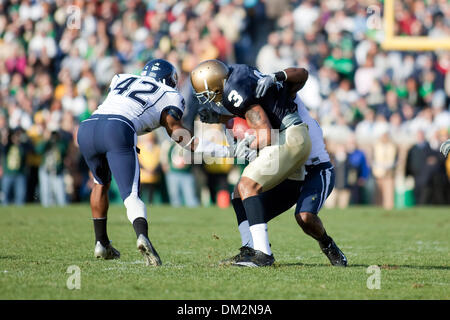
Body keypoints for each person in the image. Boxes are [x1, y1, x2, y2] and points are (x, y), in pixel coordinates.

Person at [77, 59, 251, 266]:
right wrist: (226, 150)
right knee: (131, 195)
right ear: (170, 80)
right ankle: (143, 237)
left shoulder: (122, 78)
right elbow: (180, 135)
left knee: (100, 184)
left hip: (87, 127)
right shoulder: (170, 95)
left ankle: (101, 243)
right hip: (117, 128)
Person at [190, 60, 313, 267]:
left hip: (289, 137)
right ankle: (250, 248)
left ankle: (263, 255)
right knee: (239, 192)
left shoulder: (233, 91)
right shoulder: (238, 72)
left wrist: (246, 148)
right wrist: (219, 118)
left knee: (247, 185)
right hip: (294, 136)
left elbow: (265, 134)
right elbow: (257, 109)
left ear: (218, 85)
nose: (207, 97)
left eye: (207, 91)